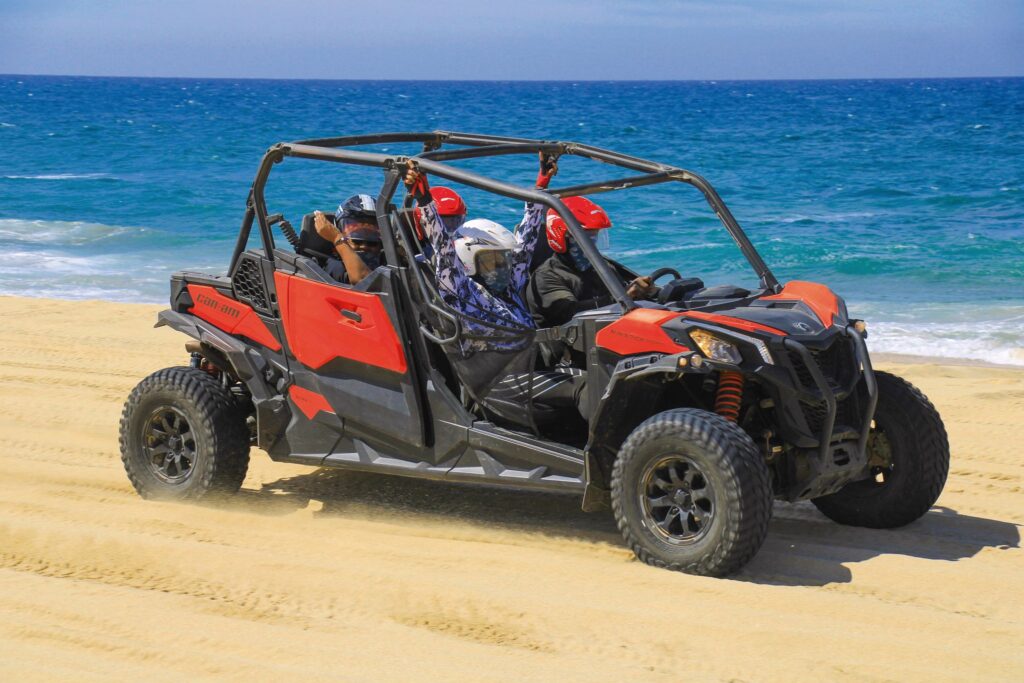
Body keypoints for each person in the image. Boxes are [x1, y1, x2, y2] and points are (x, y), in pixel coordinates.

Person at [528, 195, 657, 330]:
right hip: (574, 345)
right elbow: (570, 313)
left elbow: (626, 290)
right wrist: (623, 298)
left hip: (612, 332)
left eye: (596, 237)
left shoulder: (602, 266)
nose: (593, 244)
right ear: (562, 238)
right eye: (587, 238)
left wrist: (646, 291)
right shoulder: (547, 276)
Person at [313, 194, 383, 285]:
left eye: (372, 242)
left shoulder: (385, 261)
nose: (364, 246)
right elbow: (363, 282)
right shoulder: (337, 267)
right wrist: (336, 238)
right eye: (356, 241)